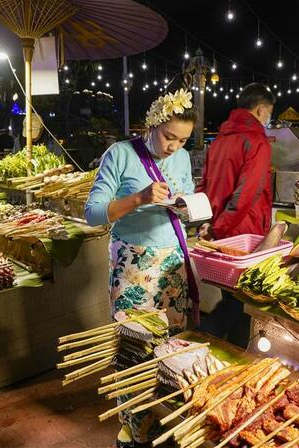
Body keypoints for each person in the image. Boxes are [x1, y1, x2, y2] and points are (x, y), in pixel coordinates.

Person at [85, 88, 197, 447]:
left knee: (172, 348)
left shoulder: (182, 159)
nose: (173, 147)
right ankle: (131, 430)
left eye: (182, 141)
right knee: (134, 348)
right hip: (134, 266)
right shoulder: (119, 154)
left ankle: (166, 420)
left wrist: (188, 208)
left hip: (173, 266)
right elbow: (93, 214)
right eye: (169, 137)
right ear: (151, 124)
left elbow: (189, 196)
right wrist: (139, 198)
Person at [196, 83, 275, 348]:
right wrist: (219, 227)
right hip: (245, 233)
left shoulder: (218, 141)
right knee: (243, 301)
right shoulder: (257, 141)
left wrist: (208, 223)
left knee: (230, 294)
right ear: (261, 109)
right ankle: (208, 336)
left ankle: (225, 350)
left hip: (220, 229)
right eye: (268, 114)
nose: (268, 119)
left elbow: (203, 186)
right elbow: (247, 193)